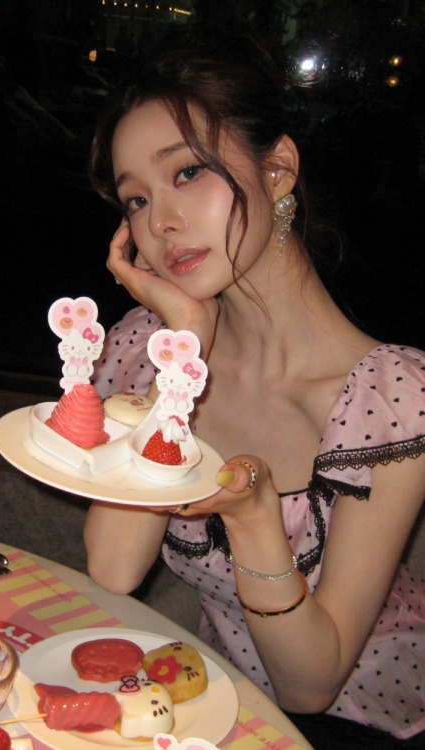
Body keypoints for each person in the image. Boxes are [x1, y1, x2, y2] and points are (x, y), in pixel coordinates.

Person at [83, 25, 425, 750]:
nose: (160, 223)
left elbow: (311, 686)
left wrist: (254, 518)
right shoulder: (156, 352)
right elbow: (114, 568)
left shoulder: (393, 400)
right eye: (135, 199)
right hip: (227, 714)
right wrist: (184, 356)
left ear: (277, 170)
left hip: (374, 728)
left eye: (186, 173)